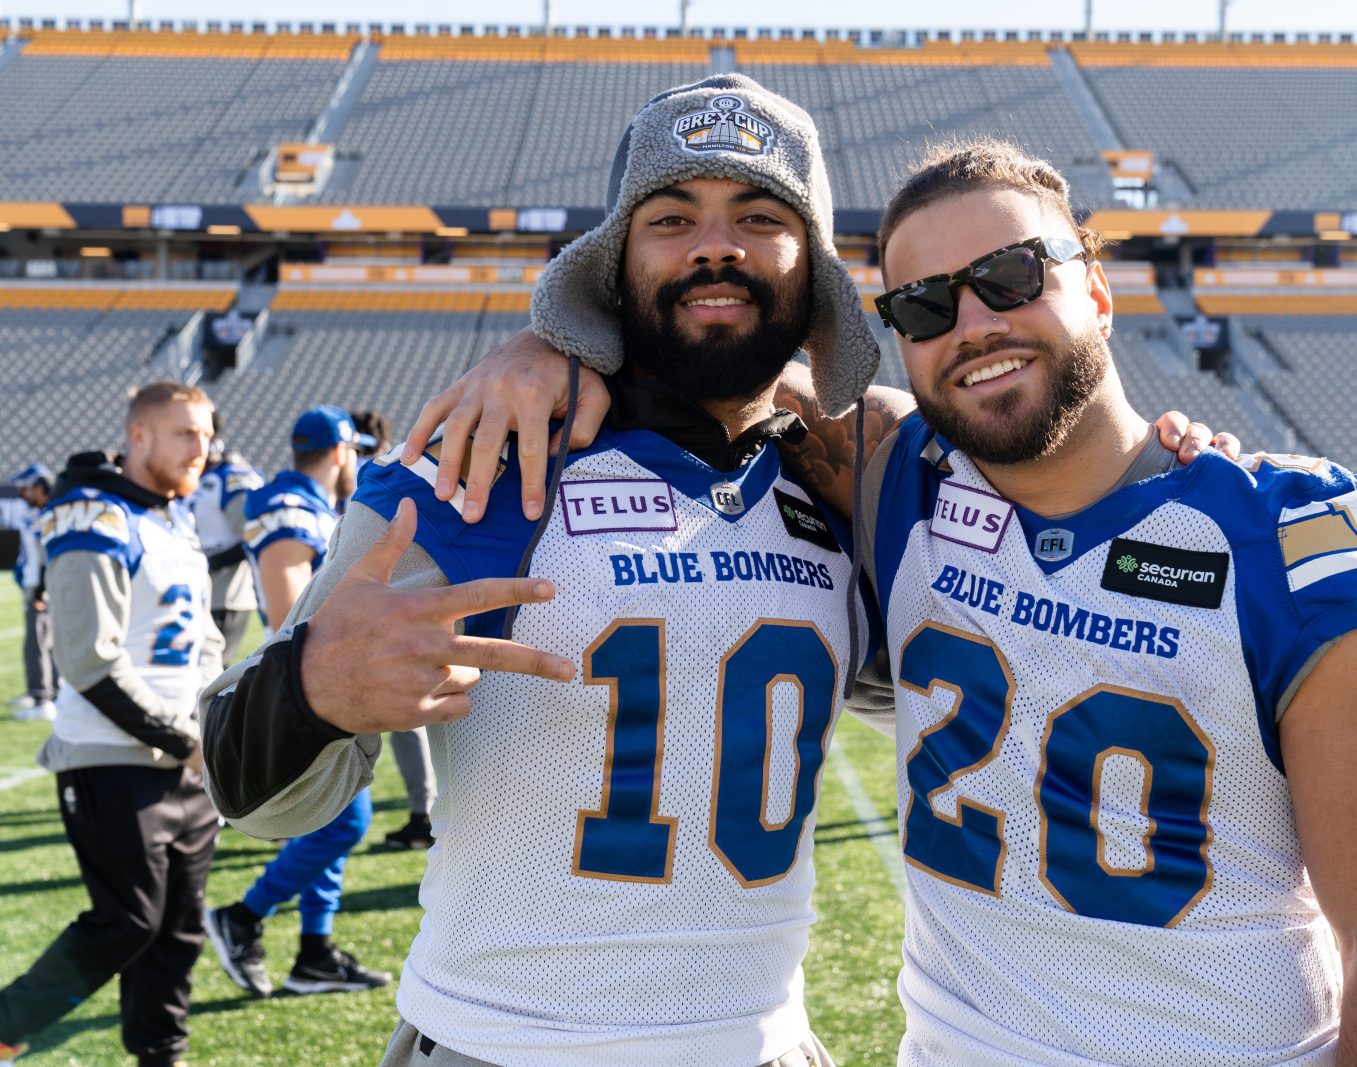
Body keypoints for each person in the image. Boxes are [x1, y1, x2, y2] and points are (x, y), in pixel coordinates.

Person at [198, 78, 1216, 1065]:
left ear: (811, 268)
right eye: (672, 218)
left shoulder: (846, 477)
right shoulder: (491, 456)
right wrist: (307, 691)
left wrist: (1172, 461)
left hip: (763, 1040)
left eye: (759, 216)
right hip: (504, 1042)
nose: (715, 245)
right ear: (616, 262)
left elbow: (1029, 581)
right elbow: (253, 793)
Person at [402, 143, 1357, 1063]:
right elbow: (709, 365)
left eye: (1010, 275)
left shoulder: (1286, 537)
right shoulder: (899, 478)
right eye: (923, 305)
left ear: (1096, 290)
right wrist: (545, 347)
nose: (973, 324)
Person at [0, 383, 223, 1067]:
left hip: (186, 760)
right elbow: (89, 660)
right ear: (139, 437)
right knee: (126, 922)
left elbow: (205, 638)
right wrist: (185, 740)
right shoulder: (95, 516)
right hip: (111, 755)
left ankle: (161, 1056)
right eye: (185, 433)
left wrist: (212, 722)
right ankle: (6, 1026)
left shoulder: (172, 519)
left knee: (178, 931)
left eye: (207, 433)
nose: (202, 448)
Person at [203, 404, 391, 999]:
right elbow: (292, 614)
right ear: (340, 451)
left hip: (313, 677)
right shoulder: (291, 506)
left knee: (331, 814)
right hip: (304, 683)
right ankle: (243, 916)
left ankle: (314, 951)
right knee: (346, 818)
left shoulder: (308, 502)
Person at [351, 408, 439, 852]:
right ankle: (423, 813)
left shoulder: (380, 475)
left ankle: (423, 814)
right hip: (398, 599)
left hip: (384, 604)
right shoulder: (395, 468)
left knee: (407, 716)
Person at [189, 419, 263, 664]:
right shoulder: (194, 479)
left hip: (225, 596)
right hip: (196, 592)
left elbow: (252, 537)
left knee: (211, 670)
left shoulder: (230, 477)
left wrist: (208, 563)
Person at [8, 463, 56, 721]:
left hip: (42, 586)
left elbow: (47, 558)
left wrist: (40, 591)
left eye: (26, 488)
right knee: (41, 640)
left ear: (40, 487)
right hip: (38, 584)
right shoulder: (36, 513)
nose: (22, 493)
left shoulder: (50, 514)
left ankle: (42, 697)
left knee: (39, 642)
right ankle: (42, 693)